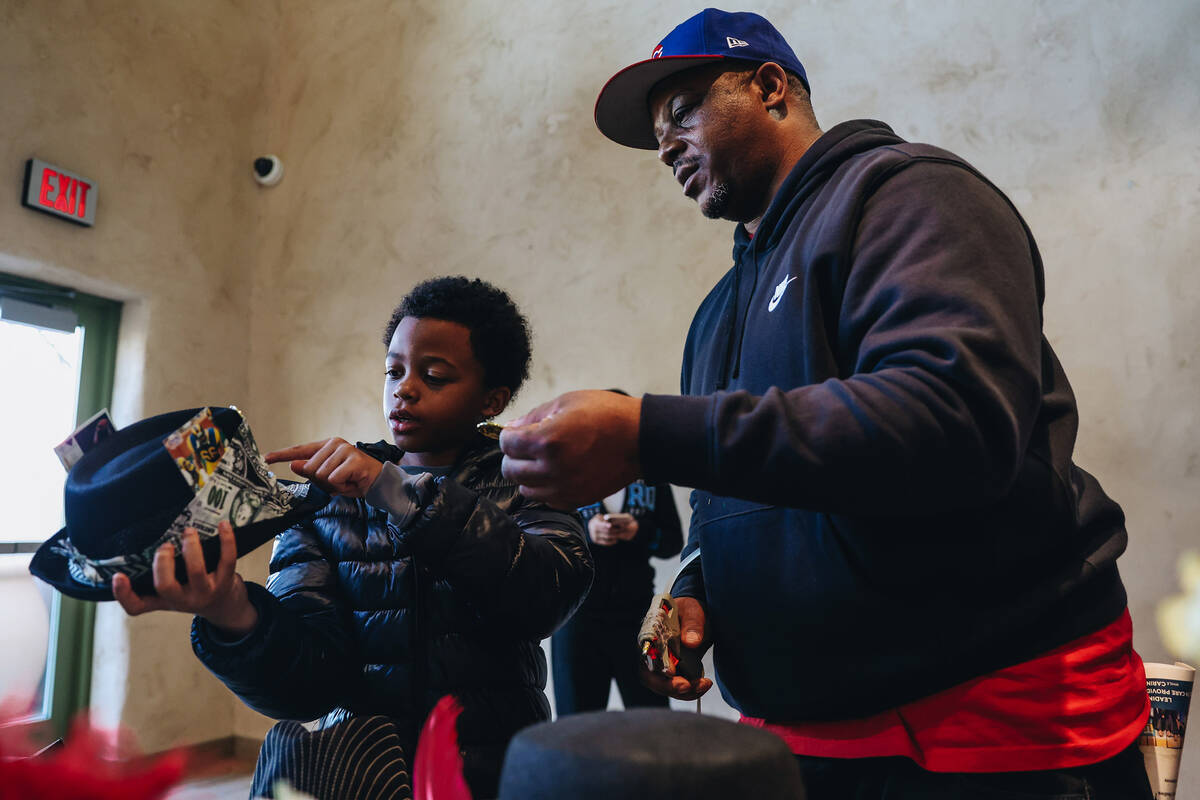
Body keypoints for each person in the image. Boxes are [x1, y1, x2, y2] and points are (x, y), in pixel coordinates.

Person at [499, 9, 1152, 799]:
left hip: (985, 731)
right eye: (657, 134)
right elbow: (734, 498)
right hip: (798, 737)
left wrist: (647, 432)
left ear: (770, 87)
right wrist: (701, 587)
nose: (666, 145)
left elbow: (954, 424)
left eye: (682, 111)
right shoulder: (716, 314)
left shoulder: (910, 195)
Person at [114, 276, 593, 799]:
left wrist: (391, 491)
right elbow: (310, 687)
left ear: (491, 399)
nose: (404, 388)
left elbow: (546, 592)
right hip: (358, 775)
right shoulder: (328, 498)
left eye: (434, 375)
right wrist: (233, 613)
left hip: (492, 774)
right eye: (394, 371)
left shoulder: (527, 479)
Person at [550, 390, 683, 716]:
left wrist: (639, 531)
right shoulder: (566, 475)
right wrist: (587, 532)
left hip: (639, 620)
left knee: (652, 723)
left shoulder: (652, 478)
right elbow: (540, 540)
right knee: (576, 726)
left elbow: (673, 542)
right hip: (577, 618)